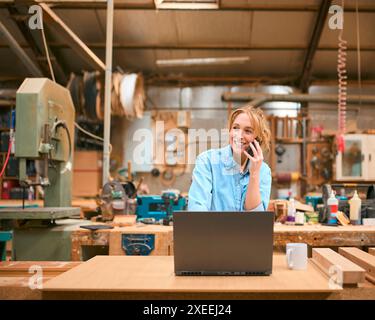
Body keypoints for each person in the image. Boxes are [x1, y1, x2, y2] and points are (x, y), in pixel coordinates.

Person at [188, 105, 272, 211]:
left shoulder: (263, 171)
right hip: (211, 228)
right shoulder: (207, 161)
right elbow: (197, 208)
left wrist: (254, 175)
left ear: (257, 138)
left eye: (248, 131)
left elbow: (255, 218)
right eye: (235, 128)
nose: (239, 135)